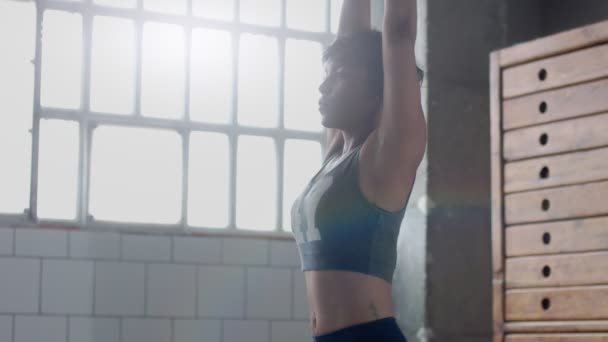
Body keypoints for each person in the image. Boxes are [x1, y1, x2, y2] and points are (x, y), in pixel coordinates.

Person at [290, 0, 426, 341]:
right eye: (326, 75)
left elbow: (399, 33)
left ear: (376, 93)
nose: (323, 87)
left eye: (339, 77)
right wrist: (342, 61)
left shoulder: (388, 153)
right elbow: (348, 39)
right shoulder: (336, 152)